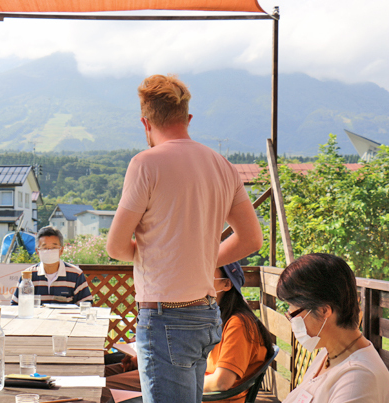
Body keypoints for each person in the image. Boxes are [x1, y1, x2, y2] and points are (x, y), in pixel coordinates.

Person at [106, 74, 263, 403]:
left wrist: (157, 255)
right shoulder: (221, 165)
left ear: (145, 123)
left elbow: (116, 247)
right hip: (206, 313)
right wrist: (203, 261)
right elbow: (251, 239)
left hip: (164, 316)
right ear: (187, 118)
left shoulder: (145, 164)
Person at [106, 262, 274, 403]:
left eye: (205, 272)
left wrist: (170, 382)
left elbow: (222, 382)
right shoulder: (209, 318)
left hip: (201, 394)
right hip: (181, 376)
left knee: (101, 391)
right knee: (101, 374)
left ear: (226, 284)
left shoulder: (239, 324)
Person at [277, 253, 389, 403]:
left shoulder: (359, 378)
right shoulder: (328, 354)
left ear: (324, 311)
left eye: (294, 313)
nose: (292, 321)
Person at [11, 226, 92, 305]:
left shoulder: (76, 274)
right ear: (37, 251)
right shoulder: (28, 275)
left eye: (54, 247)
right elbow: (16, 305)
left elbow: (86, 305)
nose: (49, 251)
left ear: (61, 250)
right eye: (45, 247)